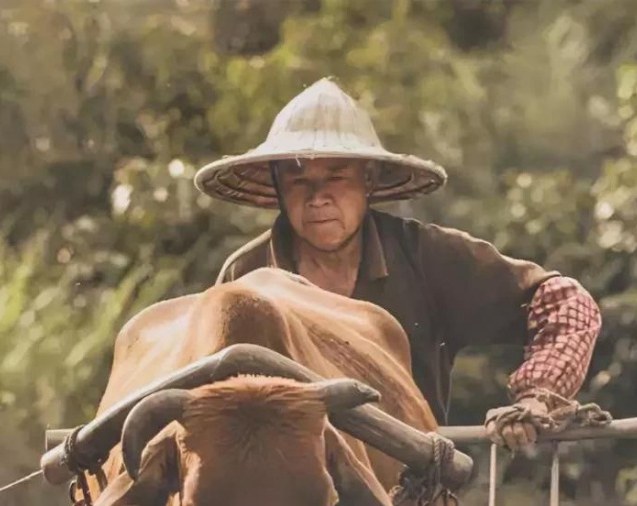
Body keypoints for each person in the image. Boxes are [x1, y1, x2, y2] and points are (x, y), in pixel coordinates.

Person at [195, 77, 602, 452]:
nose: (318, 197)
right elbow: (209, 396)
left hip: (413, 485)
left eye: (336, 177)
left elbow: (565, 302)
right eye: (299, 181)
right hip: (291, 497)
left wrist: (538, 395)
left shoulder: (427, 256)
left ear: (368, 180)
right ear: (278, 186)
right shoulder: (246, 277)